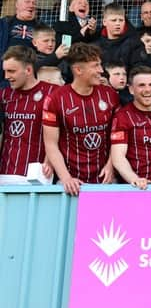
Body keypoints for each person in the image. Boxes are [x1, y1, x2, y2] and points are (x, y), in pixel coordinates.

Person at [43, 43, 119, 196]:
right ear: (78, 70)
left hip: (105, 179)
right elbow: (50, 144)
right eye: (95, 66)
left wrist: (111, 166)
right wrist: (66, 178)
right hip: (71, 181)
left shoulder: (110, 95)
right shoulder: (55, 99)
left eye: (100, 65)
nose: (101, 70)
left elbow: (116, 137)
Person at [0, 46, 58, 180]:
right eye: (5, 71)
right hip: (5, 173)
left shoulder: (52, 93)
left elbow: (61, 133)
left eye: (11, 71)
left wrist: (49, 160)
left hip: (38, 174)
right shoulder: (3, 95)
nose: (7, 76)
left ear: (28, 70)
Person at [110, 66, 151, 189]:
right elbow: (118, 157)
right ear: (131, 89)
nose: (147, 90)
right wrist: (135, 179)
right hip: (139, 189)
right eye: (141, 85)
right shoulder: (123, 116)